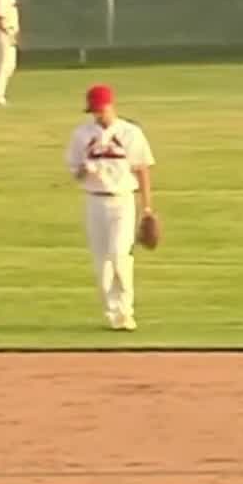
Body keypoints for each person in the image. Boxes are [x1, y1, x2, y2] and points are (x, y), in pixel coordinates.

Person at [66, 85, 157, 330]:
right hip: (94, 201)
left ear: (111, 105)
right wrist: (85, 169)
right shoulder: (81, 135)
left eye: (100, 109)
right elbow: (76, 173)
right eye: (93, 110)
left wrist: (147, 208)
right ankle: (112, 313)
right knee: (102, 264)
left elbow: (143, 169)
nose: (97, 114)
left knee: (119, 255)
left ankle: (126, 311)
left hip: (122, 200)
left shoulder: (130, 133)